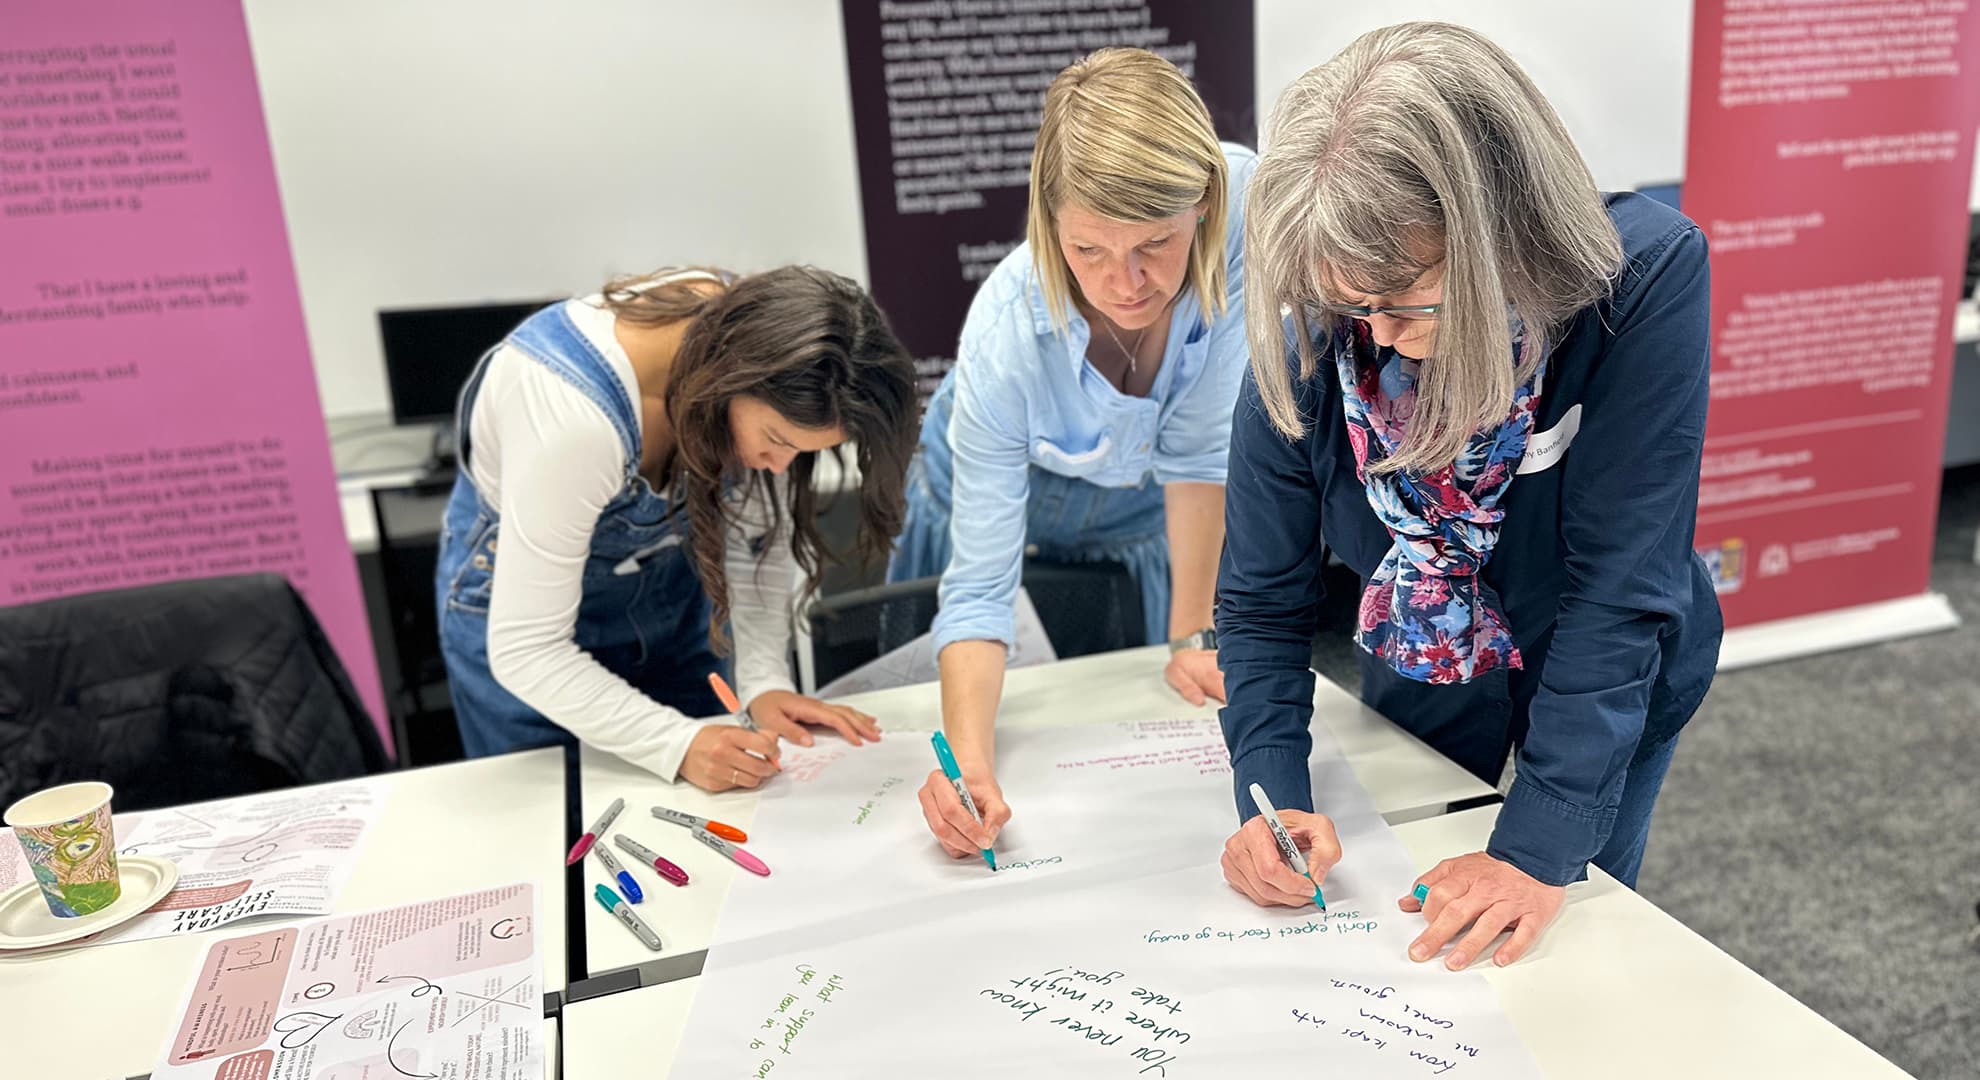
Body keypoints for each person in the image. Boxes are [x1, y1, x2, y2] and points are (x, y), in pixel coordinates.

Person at [1215, 23, 1721, 971]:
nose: (1379, 336)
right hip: (1428, 653)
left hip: (1606, 663)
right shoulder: (1320, 342)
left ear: (1499, 235)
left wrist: (1537, 853)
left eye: (1406, 302)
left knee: (1561, 937)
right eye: (1350, 305)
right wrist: (1271, 792)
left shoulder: (1640, 282)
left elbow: (1619, 588)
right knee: (1421, 934)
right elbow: (1259, 600)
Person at [894, 47, 1257, 860]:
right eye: (1088, 251)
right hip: (994, 484)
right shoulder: (1005, 339)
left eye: (1154, 245)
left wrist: (1194, 631)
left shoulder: (1246, 208)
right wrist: (968, 768)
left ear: (1203, 205)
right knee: (941, 700)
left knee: (1133, 700)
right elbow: (981, 590)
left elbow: (1202, 449)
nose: (1125, 284)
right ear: (1047, 223)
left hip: (1145, 499)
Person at [435, 266, 919, 791]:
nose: (779, 467)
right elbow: (528, 648)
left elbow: (754, 546)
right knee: (554, 840)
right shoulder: (571, 420)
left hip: (669, 607)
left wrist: (764, 684)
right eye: (776, 441)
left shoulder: (778, 353)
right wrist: (675, 743)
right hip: (527, 641)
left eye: (801, 454)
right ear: (729, 380)